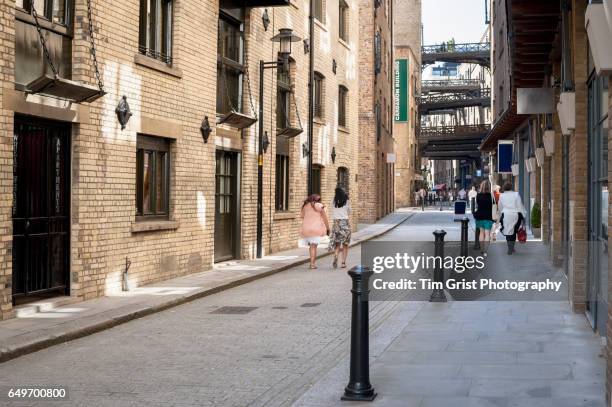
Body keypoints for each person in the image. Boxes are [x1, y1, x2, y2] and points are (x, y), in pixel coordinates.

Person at [300, 194, 330, 269]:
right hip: (316, 228)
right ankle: (312, 264)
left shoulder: (305, 206)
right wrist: (328, 228)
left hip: (306, 228)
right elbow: (325, 218)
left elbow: (302, 216)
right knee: (314, 246)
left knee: (311, 246)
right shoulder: (320, 206)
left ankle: (311, 263)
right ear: (318, 200)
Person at [498, 182, 526, 255]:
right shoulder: (516, 194)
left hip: (506, 214)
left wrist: (501, 214)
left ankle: (509, 248)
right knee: (513, 231)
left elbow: (500, 206)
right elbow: (519, 205)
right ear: (511, 187)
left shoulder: (501, 196)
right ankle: (512, 248)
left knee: (508, 231)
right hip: (515, 215)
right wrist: (523, 214)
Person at [329, 187, 351, 268]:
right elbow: (349, 211)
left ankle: (335, 255)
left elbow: (332, 210)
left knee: (337, 243)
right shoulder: (347, 201)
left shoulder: (333, 201)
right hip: (345, 223)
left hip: (336, 224)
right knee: (345, 244)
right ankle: (343, 263)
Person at [473, 180, 494, 254]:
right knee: (487, 233)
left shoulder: (478, 195)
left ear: (481, 187)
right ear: (489, 187)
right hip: (488, 216)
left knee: (481, 233)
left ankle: (482, 249)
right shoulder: (491, 196)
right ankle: (486, 250)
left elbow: (478, 205)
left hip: (480, 216)